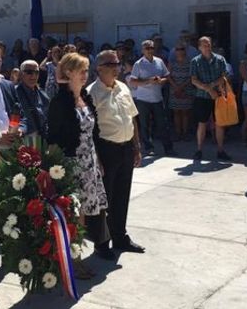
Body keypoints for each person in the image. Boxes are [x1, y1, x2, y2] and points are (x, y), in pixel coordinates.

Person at [47, 52, 110, 278]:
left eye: (86, 70)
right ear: (68, 72)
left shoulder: (85, 98)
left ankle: (76, 255)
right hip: (70, 163)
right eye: (80, 70)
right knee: (74, 213)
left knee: (84, 212)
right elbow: (53, 139)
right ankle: (72, 260)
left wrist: (98, 160)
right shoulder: (59, 102)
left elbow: (93, 134)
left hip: (89, 162)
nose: (85, 74)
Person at [88, 50, 145, 256]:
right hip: (106, 150)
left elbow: (132, 118)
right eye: (111, 64)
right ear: (99, 68)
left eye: (117, 64)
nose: (116, 68)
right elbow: (89, 130)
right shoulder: (91, 93)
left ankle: (120, 237)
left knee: (122, 195)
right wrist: (96, 158)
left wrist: (136, 147)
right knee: (105, 199)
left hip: (126, 148)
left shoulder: (123, 87)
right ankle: (102, 243)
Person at [129, 40, 175, 157]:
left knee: (163, 124)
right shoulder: (138, 64)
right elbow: (132, 81)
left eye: (151, 48)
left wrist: (161, 81)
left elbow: (167, 76)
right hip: (143, 100)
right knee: (145, 126)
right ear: (143, 50)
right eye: (147, 48)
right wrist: (148, 81)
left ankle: (168, 148)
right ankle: (149, 148)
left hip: (157, 99)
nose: (150, 50)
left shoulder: (159, 61)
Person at [190, 36, 233, 161]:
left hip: (218, 96)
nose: (207, 47)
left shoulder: (220, 59)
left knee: (219, 123)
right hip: (202, 96)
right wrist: (208, 89)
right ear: (199, 47)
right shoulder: (195, 61)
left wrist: (213, 85)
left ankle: (220, 150)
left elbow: (225, 76)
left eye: (208, 44)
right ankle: (199, 150)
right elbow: (194, 80)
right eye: (204, 45)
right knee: (202, 123)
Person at [14, 60, 50, 138]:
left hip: (41, 138)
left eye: (36, 72)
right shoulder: (13, 93)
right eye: (29, 72)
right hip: (22, 137)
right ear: (21, 74)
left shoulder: (43, 95)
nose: (33, 75)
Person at [167, 42, 194, 141]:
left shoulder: (190, 62)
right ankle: (178, 133)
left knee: (185, 113)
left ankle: (185, 133)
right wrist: (176, 87)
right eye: (177, 49)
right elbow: (168, 76)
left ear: (185, 50)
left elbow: (192, 76)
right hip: (174, 90)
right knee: (176, 112)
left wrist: (181, 87)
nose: (179, 51)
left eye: (182, 49)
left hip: (186, 89)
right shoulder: (172, 62)